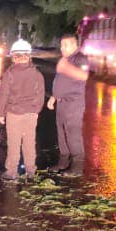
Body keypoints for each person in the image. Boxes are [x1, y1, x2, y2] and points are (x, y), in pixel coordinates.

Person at [0, 39, 46, 180]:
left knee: (14, 143)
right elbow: (40, 95)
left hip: (14, 114)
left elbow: (3, 95)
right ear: (28, 56)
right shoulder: (37, 74)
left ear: (13, 56)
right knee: (29, 142)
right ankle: (31, 170)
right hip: (31, 114)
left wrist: (1, 113)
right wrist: (36, 110)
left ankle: (12, 171)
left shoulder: (10, 74)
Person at [47, 34, 89, 175]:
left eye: (65, 45)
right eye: (61, 45)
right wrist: (54, 97)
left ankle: (77, 167)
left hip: (73, 104)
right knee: (62, 134)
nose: (62, 48)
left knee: (73, 134)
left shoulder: (80, 59)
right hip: (61, 102)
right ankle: (63, 163)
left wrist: (65, 67)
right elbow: (61, 82)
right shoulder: (66, 59)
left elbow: (83, 76)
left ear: (74, 45)